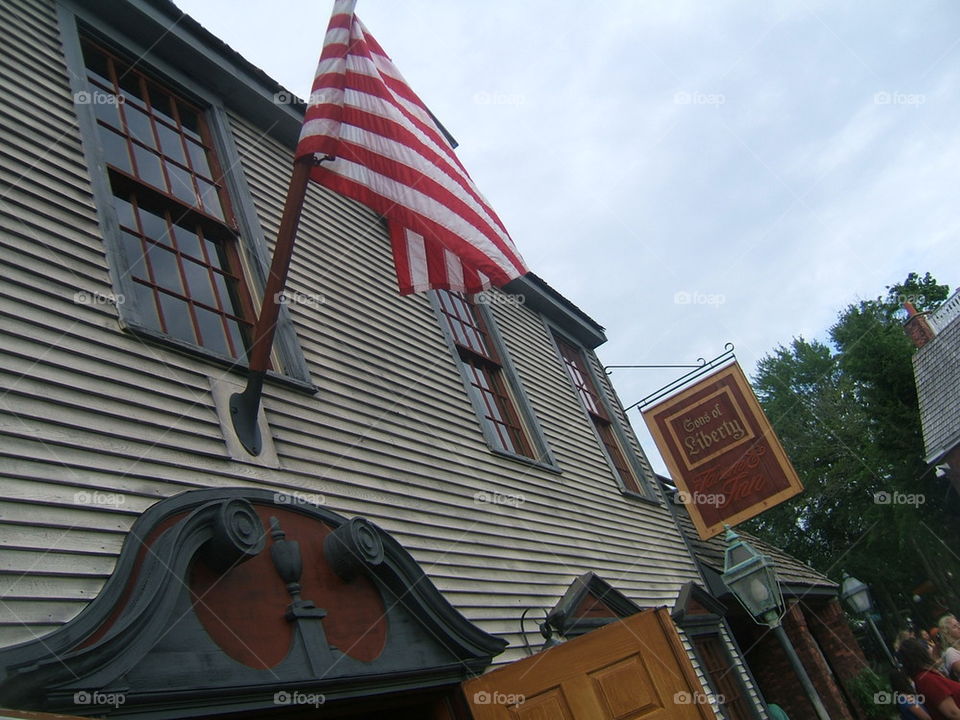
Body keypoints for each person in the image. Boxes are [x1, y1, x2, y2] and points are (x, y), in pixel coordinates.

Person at [900, 637, 960, 720]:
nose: (930, 648)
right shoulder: (926, 680)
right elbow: (952, 712)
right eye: (927, 647)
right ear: (921, 652)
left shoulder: (927, 676)